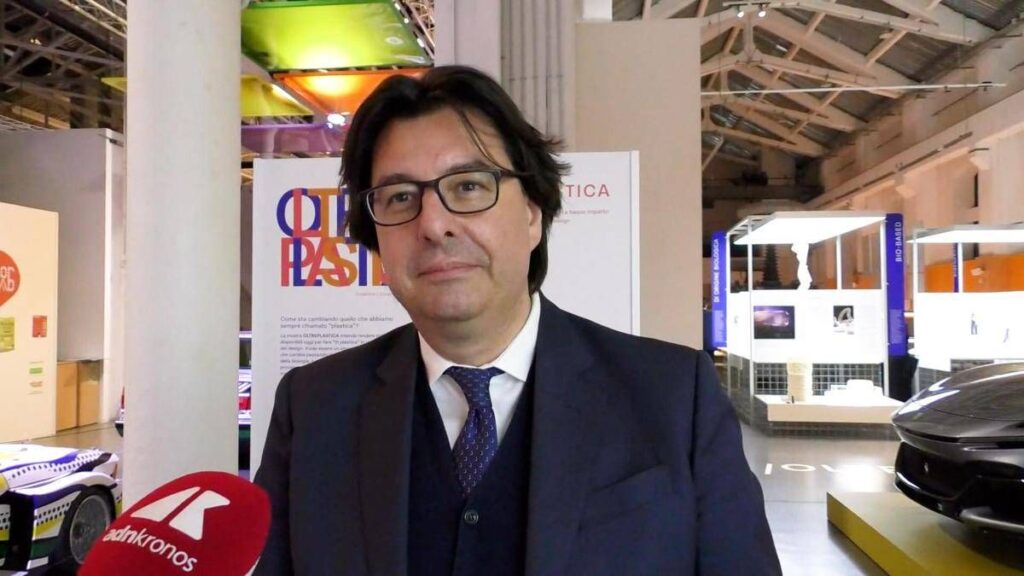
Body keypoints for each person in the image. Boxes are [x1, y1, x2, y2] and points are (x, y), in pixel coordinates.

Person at [254, 65, 780, 576]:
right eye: (400, 198)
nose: (433, 225)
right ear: (376, 241)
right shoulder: (315, 407)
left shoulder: (672, 397)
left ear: (532, 213)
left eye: (468, 186)